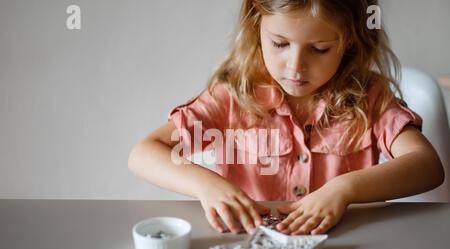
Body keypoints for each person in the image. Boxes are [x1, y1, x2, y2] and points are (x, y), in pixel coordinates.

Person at [128, 0, 444, 236]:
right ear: (257, 28)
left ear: (349, 41)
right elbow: (145, 152)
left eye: (319, 49)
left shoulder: (369, 96)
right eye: (280, 44)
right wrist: (207, 186)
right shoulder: (234, 95)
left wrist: (345, 189)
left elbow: (428, 165)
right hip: (251, 248)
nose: (295, 66)